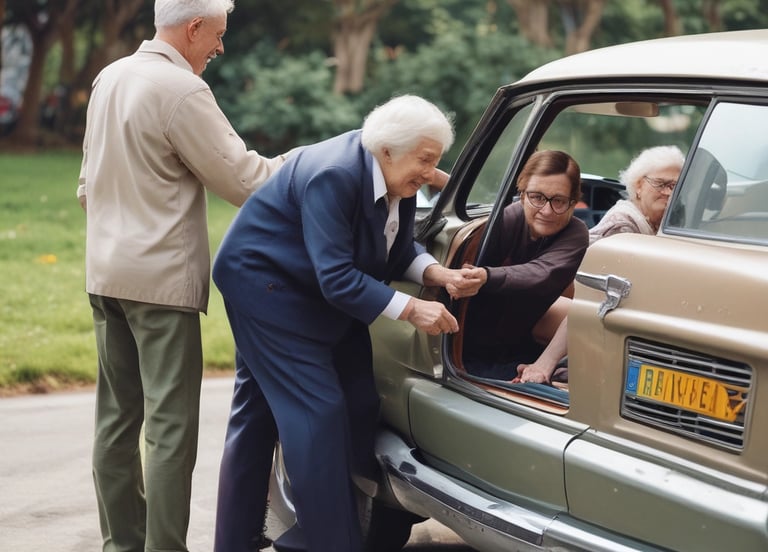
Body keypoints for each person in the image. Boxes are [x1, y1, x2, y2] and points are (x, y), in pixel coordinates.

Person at [211, 94, 483, 552]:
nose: (432, 173)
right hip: (267, 288)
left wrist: (437, 274)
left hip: (309, 286)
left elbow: (392, 246)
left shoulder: (394, 175)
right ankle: (328, 542)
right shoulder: (335, 174)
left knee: (323, 401)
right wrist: (414, 309)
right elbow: (337, 277)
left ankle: (240, 539)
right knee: (318, 411)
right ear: (388, 150)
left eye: (436, 160)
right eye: (427, 160)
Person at [77, 1, 293, 550]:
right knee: (171, 429)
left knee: (116, 422)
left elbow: (86, 186)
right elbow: (247, 181)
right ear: (194, 27)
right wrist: (320, 158)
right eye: (217, 35)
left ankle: (122, 544)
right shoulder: (182, 91)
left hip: (105, 275)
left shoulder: (110, 77)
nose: (220, 48)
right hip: (161, 285)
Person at [514, 145, 685, 383]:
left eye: (676, 186)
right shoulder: (622, 226)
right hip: (565, 308)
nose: (669, 192)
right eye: (661, 184)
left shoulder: (662, 226)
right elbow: (595, 296)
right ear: (638, 185)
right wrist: (544, 364)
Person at [455, 150, 590, 381]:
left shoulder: (576, 233)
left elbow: (542, 273)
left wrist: (486, 276)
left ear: (573, 202)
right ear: (522, 193)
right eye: (537, 197)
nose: (546, 211)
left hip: (519, 346)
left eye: (558, 201)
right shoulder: (506, 219)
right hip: (465, 349)